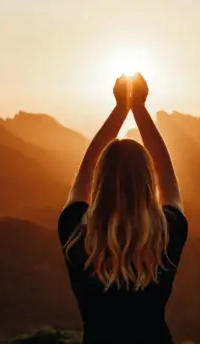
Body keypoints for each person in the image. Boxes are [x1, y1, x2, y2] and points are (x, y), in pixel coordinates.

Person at [58, 73, 188, 344]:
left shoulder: (76, 234)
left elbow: (83, 176)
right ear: (147, 181)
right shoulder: (166, 234)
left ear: (99, 181)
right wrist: (139, 109)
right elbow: (169, 180)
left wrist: (120, 109)